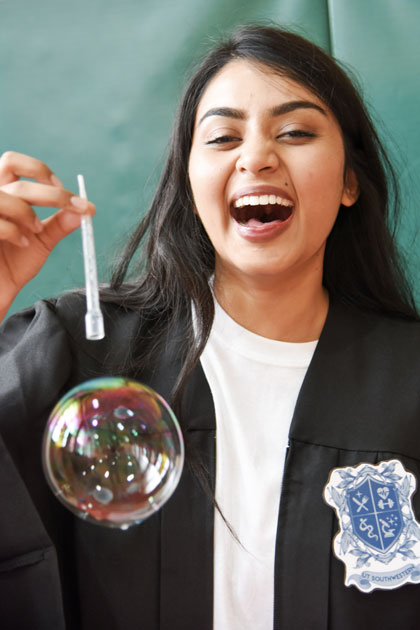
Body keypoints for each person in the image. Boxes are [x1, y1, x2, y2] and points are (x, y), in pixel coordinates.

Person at [0, 24, 420, 630]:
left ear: (351, 180)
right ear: (190, 180)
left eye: (296, 132)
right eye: (223, 136)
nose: (256, 157)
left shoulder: (408, 382)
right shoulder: (79, 356)